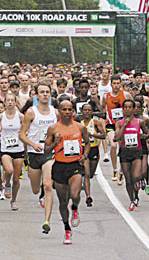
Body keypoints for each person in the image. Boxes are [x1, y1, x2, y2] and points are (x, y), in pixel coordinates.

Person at [44, 100, 90, 245]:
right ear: (59, 111)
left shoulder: (80, 127)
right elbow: (46, 150)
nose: (67, 112)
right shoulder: (52, 128)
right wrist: (55, 143)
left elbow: (87, 143)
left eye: (70, 109)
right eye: (64, 109)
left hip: (75, 165)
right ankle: (67, 229)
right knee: (62, 201)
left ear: (73, 111)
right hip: (59, 166)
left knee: (75, 195)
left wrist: (85, 155)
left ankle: (75, 207)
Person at [19, 79, 58, 234]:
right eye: (41, 92)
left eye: (47, 92)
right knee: (36, 189)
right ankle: (39, 193)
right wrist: (32, 144)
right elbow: (21, 134)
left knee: (48, 185)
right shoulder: (31, 112)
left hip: (49, 154)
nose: (44, 95)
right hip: (34, 154)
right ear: (36, 94)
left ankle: (47, 220)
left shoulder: (55, 112)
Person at [113, 100, 149, 211]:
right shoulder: (119, 123)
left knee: (136, 176)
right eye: (126, 107)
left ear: (133, 109)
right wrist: (125, 125)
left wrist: (144, 136)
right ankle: (132, 200)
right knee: (128, 180)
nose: (128, 109)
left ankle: (138, 183)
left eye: (130, 107)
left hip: (137, 151)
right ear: (123, 109)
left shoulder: (140, 122)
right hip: (125, 152)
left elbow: (148, 133)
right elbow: (116, 138)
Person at [101, 75, 132, 184]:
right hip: (111, 124)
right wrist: (103, 121)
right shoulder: (106, 96)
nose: (116, 85)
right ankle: (114, 170)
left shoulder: (126, 94)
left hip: (123, 125)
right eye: (114, 83)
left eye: (118, 83)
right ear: (111, 84)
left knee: (123, 148)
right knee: (113, 145)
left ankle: (121, 171)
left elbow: (132, 106)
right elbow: (103, 108)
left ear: (120, 84)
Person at [0, 93, 24, 210]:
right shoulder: (0, 116)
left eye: (12, 100)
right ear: (5, 102)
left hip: (18, 148)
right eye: (7, 100)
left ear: (15, 103)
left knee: (16, 178)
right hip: (5, 148)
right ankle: (7, 184)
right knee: (9, 170)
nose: (9, 102)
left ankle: (13, 200)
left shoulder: (20, 116)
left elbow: (27, 126)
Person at [80, 103, 105, 206]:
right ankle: (88, 196)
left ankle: (85, 184)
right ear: (82, 111)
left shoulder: (95, 123)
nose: (87, 112)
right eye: (85, 110)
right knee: (86, 173)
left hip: (94, 149)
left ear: (92, 112)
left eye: (89, 110)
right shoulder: (79, 124)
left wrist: (93, 134)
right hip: (83, 149)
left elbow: (103, 135)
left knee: (90, 174)